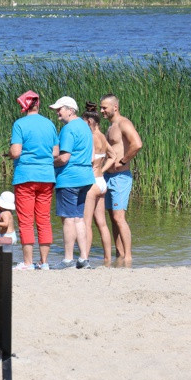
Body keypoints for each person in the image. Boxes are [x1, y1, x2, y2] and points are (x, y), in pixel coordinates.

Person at [9, 90, 59, 269]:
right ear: (38, 104)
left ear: (24, 105)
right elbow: (55, 152)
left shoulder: (19, 124)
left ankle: (28, 263)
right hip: (47, 176)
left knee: (26, 220)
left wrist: (9, 153)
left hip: (25, 176)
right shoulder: (49, 124)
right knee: (44, 219)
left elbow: (16, 152)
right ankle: (44, 263)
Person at [49, 96, 96, 269]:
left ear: (70, 109)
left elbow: (64, 158)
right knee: (78, 218)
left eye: (59, 109)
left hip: (69, 178)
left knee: (68, 219)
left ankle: (68, 259)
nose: (57, 113)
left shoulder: (68, 129)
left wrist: (49, 163)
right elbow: (91, 156)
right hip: (86, 177)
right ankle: (84, 259)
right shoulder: (85, 126)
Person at [99, 93, 143, 267]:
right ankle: (120, 255)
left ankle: (129, 257)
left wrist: (123, 160)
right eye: (101, 107)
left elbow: (137, 144)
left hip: (120, 177)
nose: (102, 110)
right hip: (108, 176)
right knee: (112, 217)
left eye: (104, 107)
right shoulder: (110, 126)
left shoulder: (123, 123)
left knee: (119, 217)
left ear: (115, 107)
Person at [82, 102, 116, 266]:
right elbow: (113, 155)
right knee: (102, 223)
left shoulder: (91, 137)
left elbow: (88, 159)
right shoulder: (102, 135)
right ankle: (108, 259)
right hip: (102, 181)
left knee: (86, 223)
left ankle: (85, 258)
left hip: (92, 183)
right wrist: (102, 168)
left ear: (89, 122)